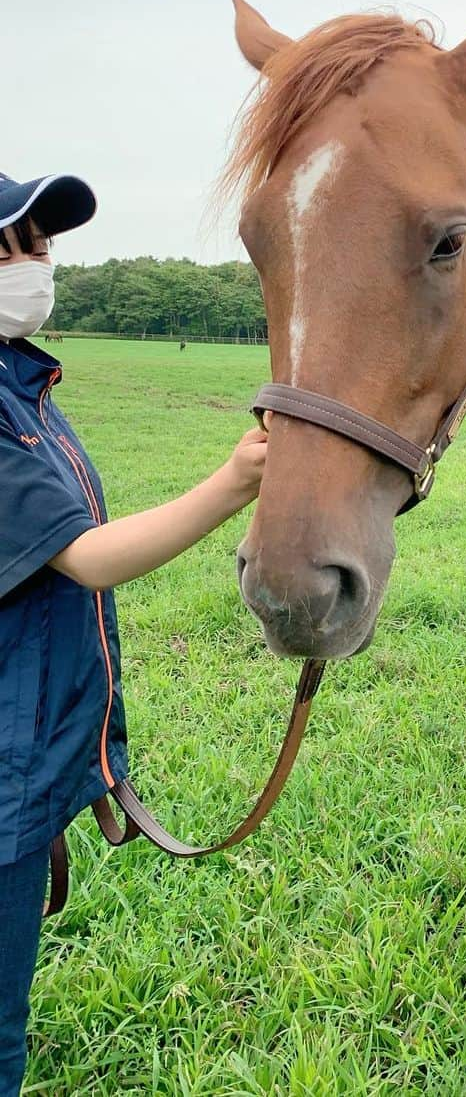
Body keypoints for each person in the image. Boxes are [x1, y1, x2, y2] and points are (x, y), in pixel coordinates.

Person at [0, 170, 267, 1096]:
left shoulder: (22, 382)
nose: (33, 265)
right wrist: (233, 483)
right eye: (9, 248)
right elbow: (89, 558)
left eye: (37, 244)